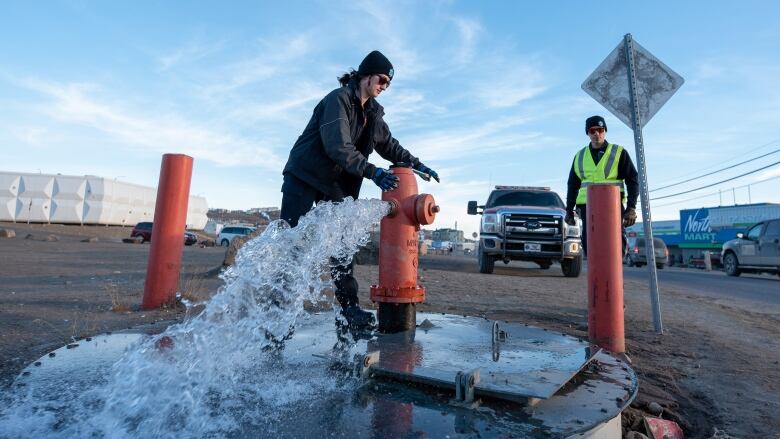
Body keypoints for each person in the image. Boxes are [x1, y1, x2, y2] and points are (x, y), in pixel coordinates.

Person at [280, 50, 440, 330]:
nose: (383, 87)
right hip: (304, 177)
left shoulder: (373, 113)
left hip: (337, 184)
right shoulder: (338, 100)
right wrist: (372, 172)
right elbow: (337, 147)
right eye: (381, 80)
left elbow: (389, 146)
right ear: (365, 75)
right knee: (293, 246)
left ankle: (349, 314)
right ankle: (275, 318)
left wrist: (417, 164)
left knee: (342, 251)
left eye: (388, 84)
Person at [565, 115, 639, 255]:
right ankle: (597, 276)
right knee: (591, 247)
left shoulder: (618, 153)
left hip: (612, 206)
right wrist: (569, 210)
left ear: (605, 130)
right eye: (592, 131)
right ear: (587, 133)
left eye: (600, 129)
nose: (596, 134)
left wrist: (631, 207)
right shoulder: (580, 156)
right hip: (587, 208)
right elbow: (572, 185)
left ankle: (612, 276)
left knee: (615, 247)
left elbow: (632, 179)